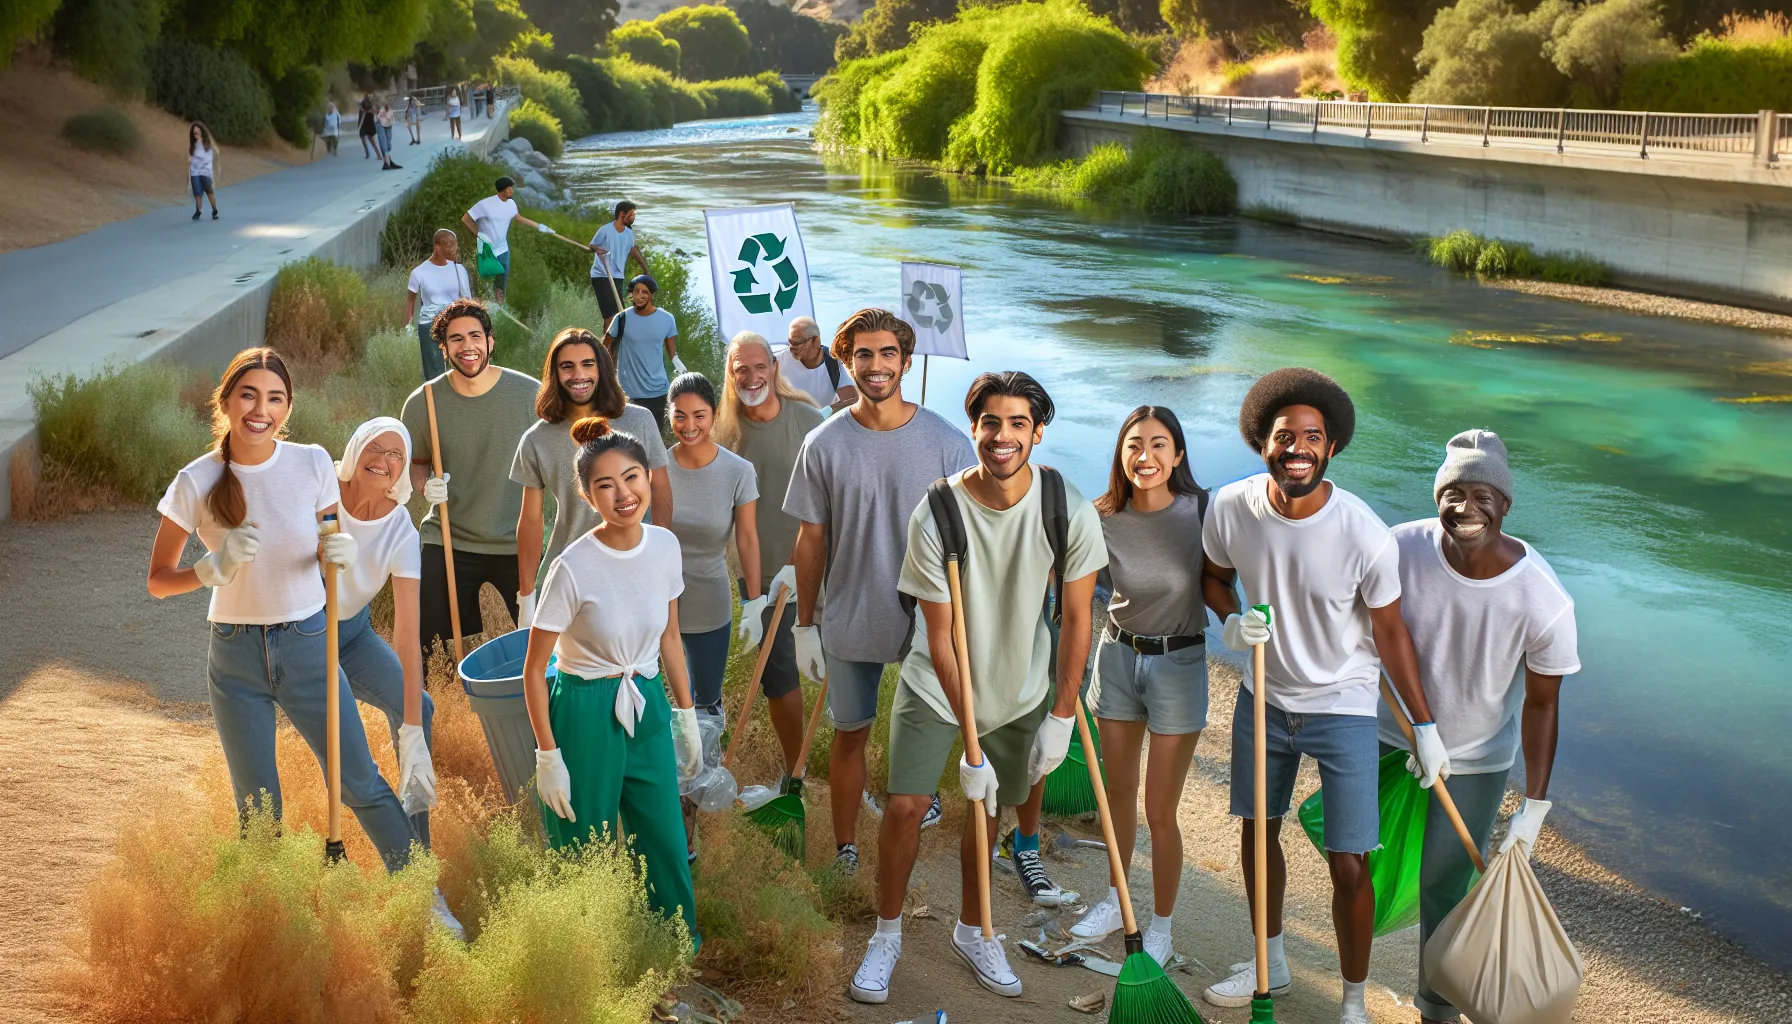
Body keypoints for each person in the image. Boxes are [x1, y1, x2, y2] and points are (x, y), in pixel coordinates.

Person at [1199, 367, 1446, 1024]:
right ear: (1263, 442)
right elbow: (1213, 576)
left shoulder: (1363, 532)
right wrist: (1229, 620)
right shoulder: (1232, 506)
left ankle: (1353, 1001)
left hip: (1344, 707)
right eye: (1285, 435)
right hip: (1264, 695)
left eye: (1312, 437)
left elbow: (1391, 633)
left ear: (1331, 447)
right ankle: (1270, 964)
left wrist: (1424, 726)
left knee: (1350, 861)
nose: (1298, 448)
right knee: (1258, 835)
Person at [852, 371, 1104, 1004]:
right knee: (907, 806)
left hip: (1021, 688)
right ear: (974, 427)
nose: (1003, 436)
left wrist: (1062, 715)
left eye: (1019, 423)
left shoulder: (1066, 507)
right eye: (991, 422)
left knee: (988, 813)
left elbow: (1079, 618)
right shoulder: (938, 512)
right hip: (938, 686)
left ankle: (974, 930)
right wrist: (969, 746)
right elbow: (939, 638)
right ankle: (886, 934)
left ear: (1037, 433)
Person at [146, 348, 415, 875]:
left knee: (359, 783)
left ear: (287, 407)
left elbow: (327, 541)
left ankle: (423, 895)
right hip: (235, 655)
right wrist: (209, 569)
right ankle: (272, 917)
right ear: (226, 401)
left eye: (274, 399)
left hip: (309, 643)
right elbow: (158, 581)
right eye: (248, 395)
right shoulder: (195, 480)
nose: (260, 410)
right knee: (258, 811)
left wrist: (336, 553)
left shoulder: (311, 462)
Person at [1386, 429, 1578, 1024]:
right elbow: (1353, 612)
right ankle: (1350, 991)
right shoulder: (1400, 547)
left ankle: (1436, 1012)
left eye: (1482, 496)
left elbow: (1542, 706)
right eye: (1453, 493)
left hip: (1473, 756)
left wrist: (1535, 805)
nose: (1466, 508)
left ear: (1506, 504)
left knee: (1444, 886)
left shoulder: (1543, 598)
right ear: (1436, 497)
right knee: (1355, 854)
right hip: (1389, 735)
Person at [784, 308, 977, 877]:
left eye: (887, 353)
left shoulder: (948, 443)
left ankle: (921, 797)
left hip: (931, 618)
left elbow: (975, 539)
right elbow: (810, 539)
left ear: (906, 362)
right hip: (852, 610)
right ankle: (846, 848)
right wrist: (803, 624)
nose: (876, 365)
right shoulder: (823, 443)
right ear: (845, 360)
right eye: (863, 354)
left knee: (928, 726)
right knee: (850, 734)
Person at [523, 415, 704, 949]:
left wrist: (686, 715)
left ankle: (672, 945)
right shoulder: (572, 567)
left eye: (631, 477)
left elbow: (670, 637)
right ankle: (586, 959)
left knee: (664, 836)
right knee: (584, 843)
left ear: (649, 477)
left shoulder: (665, 547)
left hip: (645, 699)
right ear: (587, 495)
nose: (623, 494)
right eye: (605, 485)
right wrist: (548, 754)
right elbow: (534, 669)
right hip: (584, 707)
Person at [1068, 406, 1210, 966]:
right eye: (1134, 444)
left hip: (1179, 664)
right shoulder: (1100, 516)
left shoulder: (1203, 512)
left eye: (1158, 444)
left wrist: (1246, 621)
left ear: (1177, 455)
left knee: (1160, 810)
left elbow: (1236, 572)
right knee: (1117, 794)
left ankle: (1162, 928)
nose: (1144, 456)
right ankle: (1114, 900)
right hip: (1118, 658)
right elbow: (1076, 590)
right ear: (1121, 453)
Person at [332, 417, 466, 937]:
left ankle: (420, 869)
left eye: (396, 455)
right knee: (351, 755)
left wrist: (412, 733)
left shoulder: (401, 531)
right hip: (304, 634)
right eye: (375, 447)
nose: (384, 461)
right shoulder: (323, 491)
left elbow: (408, 634)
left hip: (352, 634)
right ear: (355, 449)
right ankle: (406, 868)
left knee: (420, 710)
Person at [399, 299, 540, 665]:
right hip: (450, 537)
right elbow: (417, 465)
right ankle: (438, 695)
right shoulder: (424, 402)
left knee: (544, 642)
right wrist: (424, 486)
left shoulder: (530, 396)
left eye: (475, 336)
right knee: (430, 645)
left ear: (490, 341)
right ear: (443, 348)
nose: (468, 347)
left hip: (516, 539)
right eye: (456, 339)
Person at [714, 331, 823, 778]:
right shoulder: (723, 431)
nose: (752, 377)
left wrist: (803, 565)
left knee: (837, 670)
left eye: (760, 366)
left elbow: (833, 496)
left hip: (815, 569)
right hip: (759, 575)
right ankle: (795, 772)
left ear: (775, 369)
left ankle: (845, 765)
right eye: (742, 369)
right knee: (779, 679)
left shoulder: (809, 420)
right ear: (731, 374)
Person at [513, 328, 672, 627]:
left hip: (633, 569)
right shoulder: (536, 440)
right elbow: (531, 521)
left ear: (602, 368)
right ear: (555, 374)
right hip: (567, 577)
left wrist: (661, 553)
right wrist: (527, 595)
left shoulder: (639, 421)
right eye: (567, 366)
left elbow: (660, 488)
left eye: (588, 364)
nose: (578, 375)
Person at [603, 274, 684, 426]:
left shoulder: (667, 319)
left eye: (644, 292)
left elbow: (671, 346)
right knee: (628, 435)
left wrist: (675, 359)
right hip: (628, 392)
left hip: (658, 391)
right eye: (636, 291)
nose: (640, 295)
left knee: (655, 434)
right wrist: (609, 370)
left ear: (651, 295)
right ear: (632, 294)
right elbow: (605, 344)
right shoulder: (622, 318)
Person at [462, 177, 556, 307]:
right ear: (502, 190)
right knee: (485, 279)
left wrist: (539, 226)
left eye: (512, 187)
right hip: (487, 249)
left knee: (501, 281)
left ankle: (499, 305)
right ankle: (480, 304)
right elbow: (466, 218)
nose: (512, 190)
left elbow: (519, 218)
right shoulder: (485, 205)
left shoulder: (511, 204)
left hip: (503, 250)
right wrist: (478, 233)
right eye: (509, 188)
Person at [404, 229, 471, 380]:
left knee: (460, 370)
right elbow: (410, 300)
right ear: (437, 247)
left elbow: (467, 299)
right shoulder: (419, 272)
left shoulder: (459, 269)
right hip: (430, 325)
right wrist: (408, 326)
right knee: (435, 375)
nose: (454, 249)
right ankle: (435, 395)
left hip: (455, 322)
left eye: (455, 244)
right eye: (449, 245)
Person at [778, 317, 856, 412]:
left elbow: (851, 401)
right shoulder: (778, 361)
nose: (791, 347)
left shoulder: (835, 363)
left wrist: (825, 413)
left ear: (816, 340)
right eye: (790, 342)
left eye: (797, 343)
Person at [588, 201, 647, 325]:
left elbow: (632, 249)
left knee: (619, 316)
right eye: (631, 214)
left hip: (618, 276)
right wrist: (597, 249)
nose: (633, 218)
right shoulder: (605, 230)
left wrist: (644, 267)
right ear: (622, 213)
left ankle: (610, 338)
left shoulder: (629, 233)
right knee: (610, 317)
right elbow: (592, 245)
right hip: (601, 274)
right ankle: (608, 338)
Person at [188, 122, 219, 222]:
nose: (196, 133)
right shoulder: (194, 145)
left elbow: (216, 152)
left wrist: (211, 162)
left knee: (209, 192)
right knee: (197, 193)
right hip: (195, 171)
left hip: (205, 171)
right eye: (194, 132)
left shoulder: (208, 142)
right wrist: (191, 160)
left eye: (197, 130)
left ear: (202, 131)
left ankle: (214, 210)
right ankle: (198, 211)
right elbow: (191, 157)